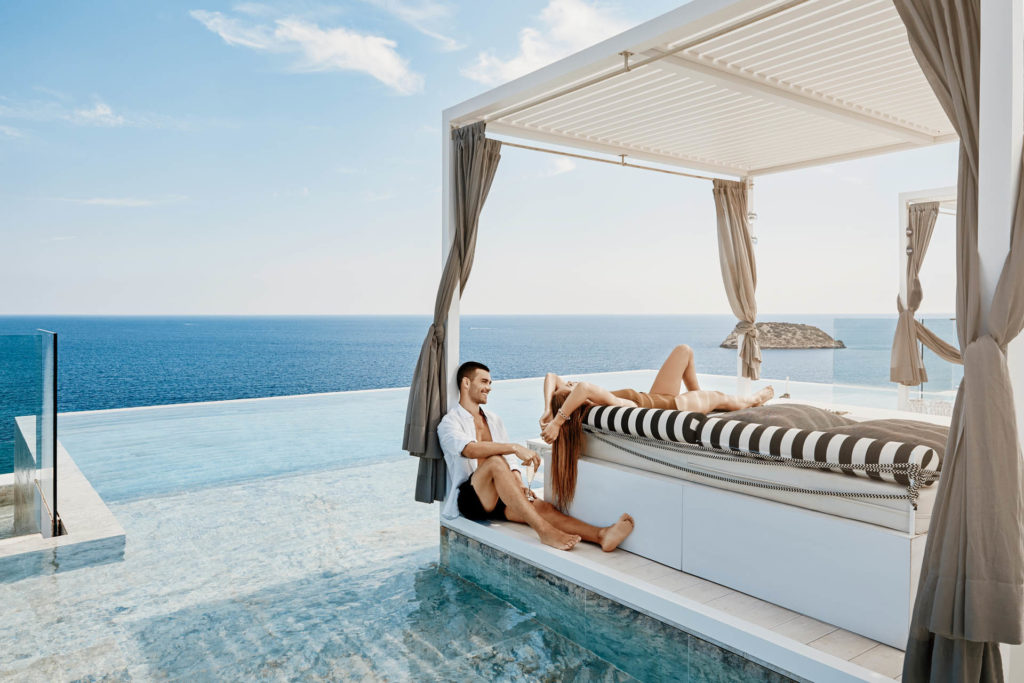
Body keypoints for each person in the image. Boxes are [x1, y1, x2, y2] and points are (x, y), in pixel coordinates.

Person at [539, 344, 774, 508]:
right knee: (734, 401)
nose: (569, 381)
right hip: (677, 406)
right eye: (569, 386)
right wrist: (559, 420)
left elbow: (551, 376)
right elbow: (584, 389)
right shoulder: (601, 401)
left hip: (656, 396)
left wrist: (548, 410)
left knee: (684, 351)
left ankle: (700, 393)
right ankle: (757, 399)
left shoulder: (589, 403)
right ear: (575, 402)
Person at [438, 360, 634, 552]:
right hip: (472, 497)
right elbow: (470, 450)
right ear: (466, 383)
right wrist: (514, 447)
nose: (488, 387)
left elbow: (511, 463)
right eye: (483, 382)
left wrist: (519, 484)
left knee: (544, 509)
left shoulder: (493, 419)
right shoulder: (450, 422)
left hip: (499, 496)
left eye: (490, 383)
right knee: (495, 461)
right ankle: (544, 532)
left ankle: (601, 535)